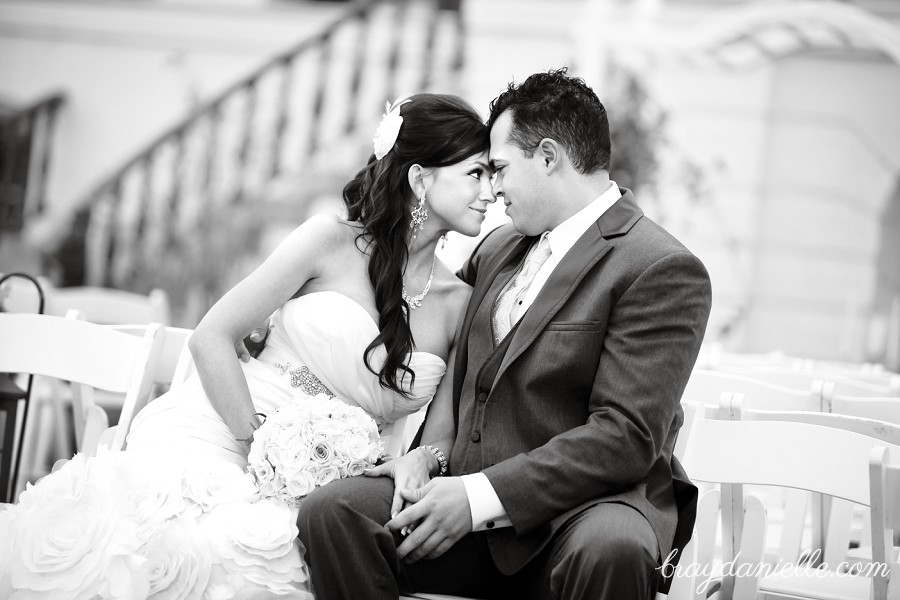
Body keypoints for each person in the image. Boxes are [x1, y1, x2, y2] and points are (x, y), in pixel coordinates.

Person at [0, 93, 494, 599]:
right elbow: (212, 336)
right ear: (420, 178)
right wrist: (262, 451)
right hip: (226, 430)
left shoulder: (460, 302)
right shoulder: (329, 240)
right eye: (475, 173)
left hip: (331, 485)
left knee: (267, 555)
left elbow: (441, 436)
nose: (490, 191)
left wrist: (423, 461)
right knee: (176, 545)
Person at [297, 68, 713, 600]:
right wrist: (427, 457)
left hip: (582, 514)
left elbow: (626, 437)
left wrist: (477, 497)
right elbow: (435, 339)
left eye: (498, 169)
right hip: (467, 510)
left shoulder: (659, 266)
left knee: (613, 548)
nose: (492, 189)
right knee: (335, 512)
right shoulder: (496, 249)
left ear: (547, 157)